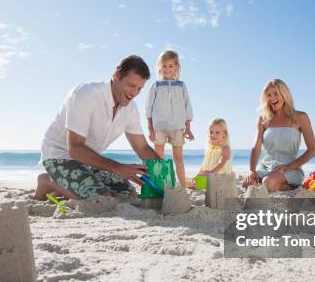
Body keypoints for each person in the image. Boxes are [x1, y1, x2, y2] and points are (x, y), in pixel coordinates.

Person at [34, 55, 161, 201]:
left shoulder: (130, 109)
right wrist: (119, 168)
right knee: (101, 199)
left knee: (127, 194)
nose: (134, 93)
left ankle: (66, 188)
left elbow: (142, 147)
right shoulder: (86, 94)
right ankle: (48, 182)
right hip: (59, 156)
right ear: (117, 75)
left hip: (88, 160)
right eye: (131, 85)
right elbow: (75, 148)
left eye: (139, 88)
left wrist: (164, 173)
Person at [242, 79, 315, 192]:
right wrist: (252, 170)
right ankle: (275, 186)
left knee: (267, 182)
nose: (272, 98)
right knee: (247, 184)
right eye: (269, 95)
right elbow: (256, 147)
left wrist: (290, 166)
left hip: (289, 169)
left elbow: (312, 150)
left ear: (284, 94)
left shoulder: (301, 117)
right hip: (266, 167)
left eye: (276, 93)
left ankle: (293, 186)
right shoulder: (263, 120)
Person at [145, 50, 194, 187]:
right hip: (159, 128)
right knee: (158, 159)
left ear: (177, 67)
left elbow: (187, 107)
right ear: (159, 67)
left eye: (170, 66)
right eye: (164, 66)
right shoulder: (155, 86)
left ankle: (183, 186)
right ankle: (158, 185)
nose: (167, 69)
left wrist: (188, 128)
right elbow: (148, 109)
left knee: (178, 158)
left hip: (178, 128)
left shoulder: (182, 86)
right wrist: (150, 129)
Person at [189, 118, 232, 188]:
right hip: (210, 177)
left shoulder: (225, 148)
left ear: (224, 134)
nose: (213, 135)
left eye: (217, 132)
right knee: (192, 183)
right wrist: (198, 176)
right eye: (211, 132)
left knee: (197, 185)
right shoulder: (210, 149)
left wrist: (209, 174)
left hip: (220, 177)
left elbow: (221, 163)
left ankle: (201, 185)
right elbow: (204, 166)